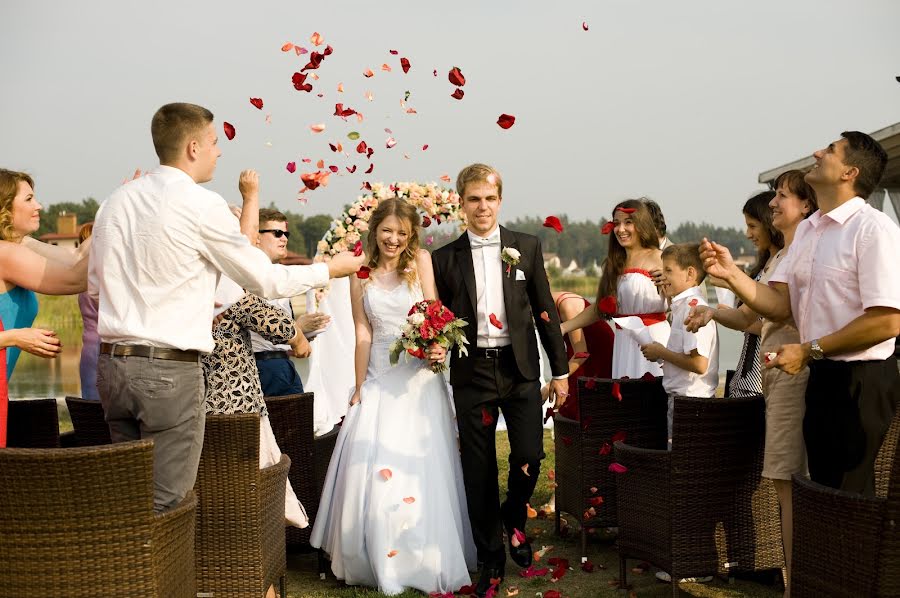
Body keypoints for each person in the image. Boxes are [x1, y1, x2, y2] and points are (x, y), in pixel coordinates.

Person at [88, 102, 364, 512]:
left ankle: (133, 575)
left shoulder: (115, 202)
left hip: (112, 368)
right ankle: (166, 577)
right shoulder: (201, 204)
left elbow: (96, 287)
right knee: (169, 502)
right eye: (216, 142)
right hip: (168, 370)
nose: (220, 151)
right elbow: (265, 280)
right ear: (194, 147)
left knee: (132, 497)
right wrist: (330, 268)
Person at [700, 131, 900, 497]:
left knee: (848, 499)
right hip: (820, 373)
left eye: (831, 150)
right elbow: (779, 305)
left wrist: (809, 350)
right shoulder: (808, 231)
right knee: (822, 493)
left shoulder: (874, 229)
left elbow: (887, 321)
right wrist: (732, 274)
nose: (817, 152)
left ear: (849, 172)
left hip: (861, 379)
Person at [311, 198, 476, 596]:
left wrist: (437, 347)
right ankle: (376, 554)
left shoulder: (420, 261)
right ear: (375, 230)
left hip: (419, 377)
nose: (394, 239)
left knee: (422, 465)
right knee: (374, 462)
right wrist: (357, 386)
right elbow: (363, 331)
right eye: (388, 231)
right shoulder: (359, 272)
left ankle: (423, 557)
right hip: (379, 376)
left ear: (411, 235)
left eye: (402, 233)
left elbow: (434, 312)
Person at [431, 164, 569, 598]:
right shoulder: (444, 258)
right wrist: (433, 346)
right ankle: (490, 558)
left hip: (521, 369)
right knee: (478, 469)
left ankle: (514, 518)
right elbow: (436, 319)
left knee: (530, 453)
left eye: (489, 199)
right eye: (473, 199)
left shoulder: (526, 247)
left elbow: (545, 311)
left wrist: (560, 371)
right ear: (461, 204)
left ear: (500, 201)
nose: (482, 207)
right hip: (472, 373)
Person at [687, 170, 816, 595]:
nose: (773, 202)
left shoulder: (802, 251)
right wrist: (713, 306)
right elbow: (748, 317)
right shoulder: (783, 257)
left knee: (790, 483)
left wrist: (730, 277)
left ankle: (796, 583)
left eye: (781, 196)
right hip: (777, 378)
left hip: (789, 374)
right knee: (783, 482)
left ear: (805, 206)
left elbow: (775, 312)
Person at [563, 200, 670, 379]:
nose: (621, 229)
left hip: (653, 339)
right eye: (616, 223)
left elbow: (681, 298)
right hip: (623, 343)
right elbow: (600, 309)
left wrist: (671, 285)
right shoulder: (614, 264)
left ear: (642, 223)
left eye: (628, 222)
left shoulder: (661, 258)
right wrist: (563, 327)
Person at [0, 169, 90, 378]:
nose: (38, 206)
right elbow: (75, 279)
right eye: (29, 199)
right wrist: (14, 337)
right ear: (4, 207)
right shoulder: (5, 253)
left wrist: (114, 213)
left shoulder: (20, 244)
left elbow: (76, 260)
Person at [641, 243, 718, 443]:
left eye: (668, 270)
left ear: (690, 273)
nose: (662, 276)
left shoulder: (693, 308)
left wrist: (662, 352)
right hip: (685, 400)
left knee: (682, 464)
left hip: (691, 404)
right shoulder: (681, 306)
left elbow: (699, 364)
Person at [250, 208, 329, 396]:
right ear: (257, 237)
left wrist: (306, 331)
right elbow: (258, 322)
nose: (284, 238)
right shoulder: (251, 275)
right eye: (277, 233)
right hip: (262, 367)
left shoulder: (281, 276)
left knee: (299, 424)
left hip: (283, 364)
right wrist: (297, 327)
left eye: (286, 234)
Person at [726, 191, 780, 398]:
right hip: (746, 375)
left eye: (752, 226)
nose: (748, 234)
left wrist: (735, 319)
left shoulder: (783, 264)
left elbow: (777, 324)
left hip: (763, 377)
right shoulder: (765, 264)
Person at [541, 290, 614, 421]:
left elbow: (582, 353)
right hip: (577, 352)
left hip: (596, 352)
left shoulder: (566, 305)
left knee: (581, 406)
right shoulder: (544, 308)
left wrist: (551, 384)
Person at [77, 222, 101, 400]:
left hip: (88, 349)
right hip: (104, 349)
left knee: (90, 404)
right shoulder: (101, 278)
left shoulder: (80, 280)